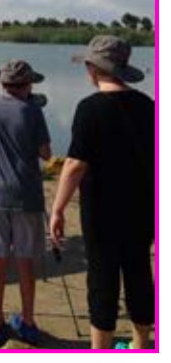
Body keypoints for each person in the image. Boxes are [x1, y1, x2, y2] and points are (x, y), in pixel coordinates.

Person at [50, 35, 155, 349]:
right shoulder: (148, 105)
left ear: (93, 69)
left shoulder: (89, 109)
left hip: (100, 213)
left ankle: (101, 349)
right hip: (142, 208)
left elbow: (74, 166)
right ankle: (140, 345)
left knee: (102, 280)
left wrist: (57, 209)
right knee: (138, 273)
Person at [0, 60, 52, 348]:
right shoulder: (33, 111)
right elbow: (46, 154)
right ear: (29, 85)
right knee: (25, 260)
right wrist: (31, 110)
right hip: (27, 196)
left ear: (2, 83)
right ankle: (28, 322)